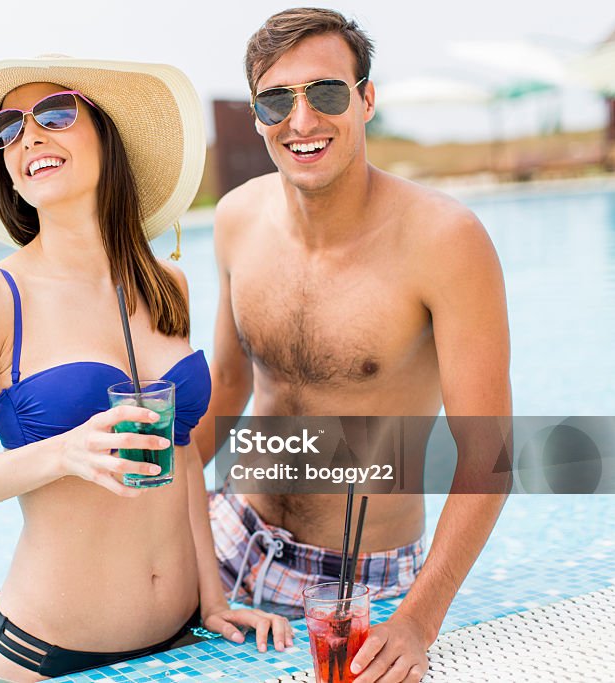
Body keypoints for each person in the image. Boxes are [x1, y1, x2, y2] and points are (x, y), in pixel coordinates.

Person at [0, 56, 289, 682]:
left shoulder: (168, 286)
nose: (28, 135)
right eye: (7, 127)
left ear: (106, 135)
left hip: (185, 638)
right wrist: (61, 454)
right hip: (52, 657)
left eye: (55, 113)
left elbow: (181, 452)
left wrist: (213, 598)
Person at [193, 9, 512, 683]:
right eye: (276, 100)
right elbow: (226, 383)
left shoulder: (444, 241)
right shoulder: (236, 218)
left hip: (352, 582)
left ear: (366, 99)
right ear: (257, 116)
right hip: (231, 527)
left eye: (327, 93)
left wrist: (418, 620)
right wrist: (148, 494)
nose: (302, 120)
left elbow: (489, 455)